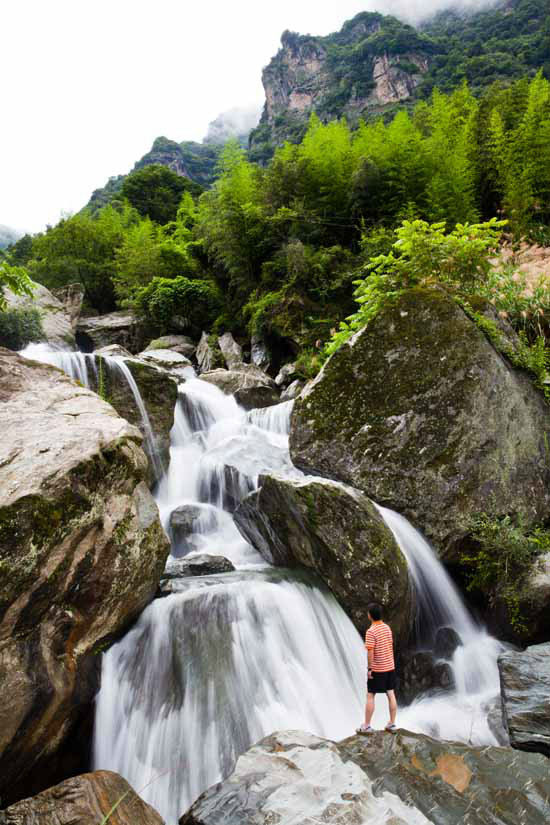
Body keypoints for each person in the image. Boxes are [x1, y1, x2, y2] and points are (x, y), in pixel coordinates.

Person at [356, 602, 397, 735]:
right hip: (390, 666)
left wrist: (370, 668)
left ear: (369, 616)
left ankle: (367, 726)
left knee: (370, 695)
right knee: (390, 693)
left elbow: (370, 652)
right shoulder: (387, 628)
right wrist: (390, 662)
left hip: (378, 669)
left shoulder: (371, 631)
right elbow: (390, 646)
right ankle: (392, 723)